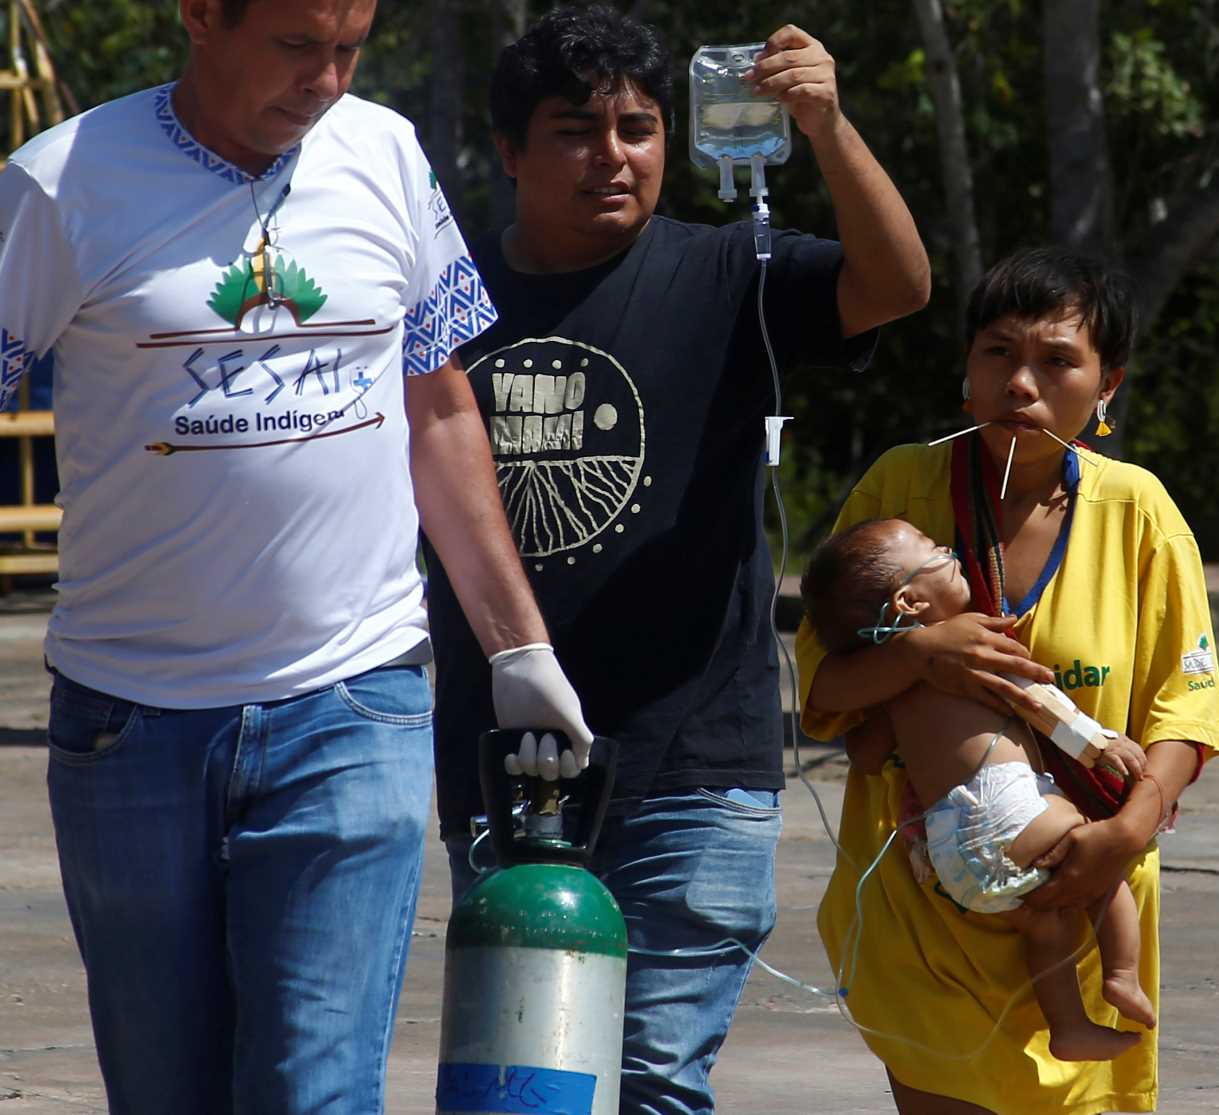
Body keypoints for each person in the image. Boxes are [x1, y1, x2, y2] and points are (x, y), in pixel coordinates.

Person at [0, 1, 591, 1111]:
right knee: (166, 1090)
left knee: (310, 1091)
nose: (325, 80)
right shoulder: (61, 183)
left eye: (348, 47)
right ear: (202, 16)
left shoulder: (385, 155)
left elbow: (440, 408)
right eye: (294, 46)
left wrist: (519, 644)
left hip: (351, 705)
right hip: (129, 727)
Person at [421, 4, 929, 1111]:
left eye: (639, 128)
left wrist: (829, 128)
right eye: (573, 131)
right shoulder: (440, 292)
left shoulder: (727, 270)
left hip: (695, 765)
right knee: (530, 1080)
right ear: (508, 150)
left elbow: (896, 285)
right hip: (505, 764)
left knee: (652, 1076)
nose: (612, 156)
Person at [795, 248, 1219, 1114]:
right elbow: (824, 682)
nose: (1021, 384)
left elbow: (1187, 704)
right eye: (998, 353)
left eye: (1058, 360)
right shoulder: (900, 487)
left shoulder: (1139, 510)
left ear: (1108, 384)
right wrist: (924, 655)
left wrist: (1131, 827)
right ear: (966, 370)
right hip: (926, 911)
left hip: (1085, 880)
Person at [800, 516, 1156, 1062]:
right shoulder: (975, 647)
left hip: (949, 857)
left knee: (1044, 923)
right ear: (910, 603)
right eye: (931, 551)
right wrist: (1100, 744)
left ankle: (1069, 1027)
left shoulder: (892, 685)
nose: (946, 547)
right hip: (1002, 807)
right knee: (1104, 868)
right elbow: (1035, 698)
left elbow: (867, 757)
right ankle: (1123, 977)